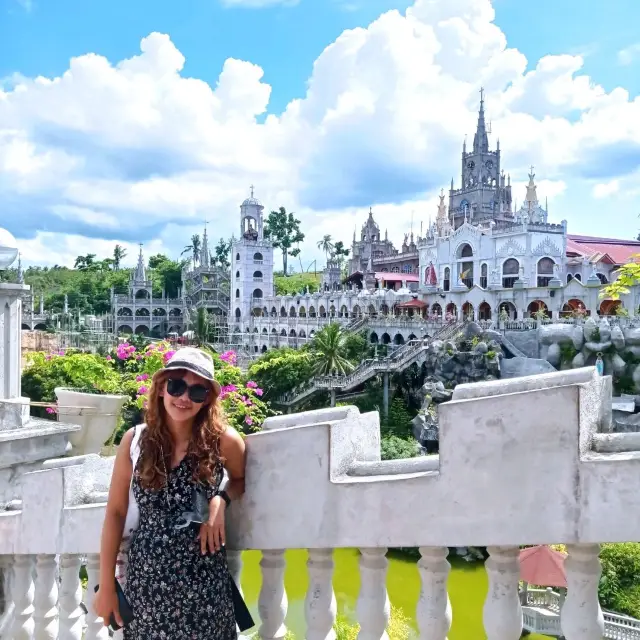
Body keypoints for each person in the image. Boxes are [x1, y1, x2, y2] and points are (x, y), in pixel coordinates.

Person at [94, 347, 247, 639]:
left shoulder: (224, 441)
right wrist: (107, 585)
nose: (184, 398)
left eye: (197, 391)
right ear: (162, 388)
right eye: (177, 385)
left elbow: (239, 479)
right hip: (146, 591)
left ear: (207, 400)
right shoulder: (135, 441)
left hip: (204, 591)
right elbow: (115, 513)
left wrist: (220, 500)